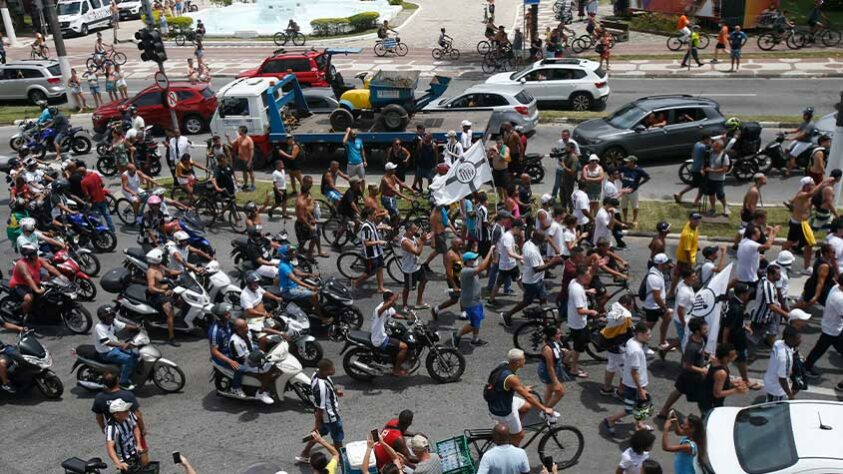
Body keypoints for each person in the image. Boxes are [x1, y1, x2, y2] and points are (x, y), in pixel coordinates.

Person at [485, 349, 558, 446]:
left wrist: (523, 388)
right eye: (523, 359)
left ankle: (512, 430)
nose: (525, 361)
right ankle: (512, 452)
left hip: (499, 401)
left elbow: (509, 385)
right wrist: (544, 409)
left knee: (526, 406)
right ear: (517, 362)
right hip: (503, 411)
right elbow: (527, 396)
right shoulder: (511, 378)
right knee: (520, 436)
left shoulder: (504, 365)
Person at [503, 230, 562, 325]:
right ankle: (508, 314)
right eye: (543, 240)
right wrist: (552, 263)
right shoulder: (532, 251)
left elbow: (535, 262)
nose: (544, 241)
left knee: (543, 299)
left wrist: (544, 260)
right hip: (532, 282)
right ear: (538, 239)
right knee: (527, 301)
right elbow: (537, 269)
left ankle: (544, 321)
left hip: (537, 279)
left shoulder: (529, 243)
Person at [604, 322, 654, 434]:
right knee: (630, 408)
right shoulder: (635, 351)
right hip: (634, 384)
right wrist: (640, 389)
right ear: (639, 334)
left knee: (641, 405)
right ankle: (610, 419)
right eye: (648, 334)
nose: (650, 336)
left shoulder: (631, 341)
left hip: (633, 382)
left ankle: (639, 424)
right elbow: (634, 372)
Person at [655, 318, 709, 419]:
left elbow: (701, 352)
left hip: (694, 374)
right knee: (702, 397)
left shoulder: (702, 339)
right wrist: (703, 370)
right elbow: (686, 365)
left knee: (679, 391)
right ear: (697, 331)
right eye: (704, 328)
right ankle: (705, 417)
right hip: (690, 375)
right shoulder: (692, 347)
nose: (707, 329)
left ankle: (664, 411)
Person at [297, 359, 344, 463]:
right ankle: (340, 458)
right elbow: (320, 409)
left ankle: (305, 453)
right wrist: (317, 424)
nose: (334, 370)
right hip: (329, 416)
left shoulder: (317, 373)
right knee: (337, 437)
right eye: (332, 369)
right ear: (325, 371)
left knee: (320, 433)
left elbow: (328, 386)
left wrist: (335, 391)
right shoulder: (321, 388)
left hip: (324, 415)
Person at [784, 176, 834, 274]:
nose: (814, 186)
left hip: (800, 222)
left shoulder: (804, 195)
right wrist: (823, 182)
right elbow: (812, 193)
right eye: (812, 184)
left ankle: (783, 260)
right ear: (806, 186)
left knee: (791, 242)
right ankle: (806, 268)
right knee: (808, 244)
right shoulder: (803, 194)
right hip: (800, 224)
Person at [803, 274, 843, 377]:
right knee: (819, 350)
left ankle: (806, 366)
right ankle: (806, 367)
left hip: (832, 326)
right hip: (832, 329)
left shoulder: (836, 288)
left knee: (836, 346)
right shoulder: (840, 299)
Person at [92, 372, 147, 447]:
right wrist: (142, 428)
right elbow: (137, 414)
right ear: (117, 380)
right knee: (141, 450)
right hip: (132, 430)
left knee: (120, 454)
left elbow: (99, 416)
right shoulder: (127, 395)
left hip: (115, 433)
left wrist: (103, 428)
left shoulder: (99, 398)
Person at [93, 304, 141, 390]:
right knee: (128, 360)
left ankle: (128, 372)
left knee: (135, 353)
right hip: (107, 352)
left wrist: (136, 327)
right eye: (109, 316)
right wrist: (122, 345)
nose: (111, 317)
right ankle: (123, 382)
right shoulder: (99, 327)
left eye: (112, 315)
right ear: (103, 318)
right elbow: (107, 343)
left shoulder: (112, 321)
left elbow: (124, 326)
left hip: (115, 347)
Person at [453, 248, 493, 347]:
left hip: (476, 301)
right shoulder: (466, 271)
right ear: (467, 262)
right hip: (471, 303)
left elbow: (483, 267)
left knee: (477, 320)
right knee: (474, 323)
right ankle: (457, 334)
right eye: (473, 259)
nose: (476, 260)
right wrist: (490, 250)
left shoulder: (470, 270)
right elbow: (482, 267)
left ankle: (475, 339)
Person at [9, 243, 62, 319]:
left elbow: (51, 268)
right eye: (34, 253)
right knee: (29, 298)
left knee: (49, 285)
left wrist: (62, 277)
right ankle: (23, 314)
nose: (36, 254)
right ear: (28, 256)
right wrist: (37, 290)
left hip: (34, 281)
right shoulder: (22, 264)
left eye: (36, 252)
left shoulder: (38, 260)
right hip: (20, 285)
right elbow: (28, 278)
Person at [229, 318, 275, 404]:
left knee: (273, 360)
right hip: (246, 362)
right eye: (243, 328)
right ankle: (261, 393)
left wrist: (281, 333)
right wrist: (261, 361)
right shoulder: (235, 342)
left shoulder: (247, 329)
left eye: (246, 326)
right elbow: (243, 359)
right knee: (270, 368)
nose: (246, 329)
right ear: (237, 329)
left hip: (253, 354)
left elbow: (262, 329)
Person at [749, 264, 790, 350]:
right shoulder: (768, 287)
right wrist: (786, 314)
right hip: (762, 317)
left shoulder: (766, 280)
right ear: (771, 275)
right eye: (778, 274)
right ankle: (747, 352)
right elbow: (771, 306)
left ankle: (772, 346)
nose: (779, 276)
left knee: (772, 333)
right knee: (754, 337)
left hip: (768, 316)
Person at [145, 248, 180, 346]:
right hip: (158, 295)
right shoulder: (151, 272)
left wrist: (183, 272)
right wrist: (163, 291)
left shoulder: (160, 266)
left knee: (181, 301)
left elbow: (170, 272)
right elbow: (151, 288)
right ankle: (171, 337)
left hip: (168, 290)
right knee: (170, 312)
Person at [699, 343, 748, 413]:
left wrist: (732, 383)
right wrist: (736, 390)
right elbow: (717, 393)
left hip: (705, 398)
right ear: (725, 358)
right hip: (711, 403)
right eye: (732, 356)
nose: (735, 357)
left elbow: (715, 381)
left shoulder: (716, 361)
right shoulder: (721, 373)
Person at [371, 291, 409, 376]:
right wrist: (393, 300)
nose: (395, 302)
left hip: (384, 333)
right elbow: (383, 309)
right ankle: (396, 370)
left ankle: (395, 361)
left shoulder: (388, 308)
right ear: (388, 301)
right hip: (380, 338)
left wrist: (406, 317)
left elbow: (394, 314)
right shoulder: (379, 309)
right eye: (393, 301)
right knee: (404, 347)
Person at [489, 219, 525, 307]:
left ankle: (528, 295)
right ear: (515, 228)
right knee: (498, 283)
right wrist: (521, 257)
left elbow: (513, 250)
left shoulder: (510, 236)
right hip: (506, 266)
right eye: (520, 229)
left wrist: (520, 259)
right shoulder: (508, 237)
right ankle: (491, 300)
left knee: (519, 279)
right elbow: (510, 253)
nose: (521, 231)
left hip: (511, 264)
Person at [104, 398, 146, 472]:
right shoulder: (112, 428)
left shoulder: (129, 415)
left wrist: (138, 445)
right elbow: (110, 448)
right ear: (116, 415)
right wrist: (119, 463)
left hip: (134, 453)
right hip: (125, 460)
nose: (128, 411)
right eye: (124, 411)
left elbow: (135, 427)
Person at [764, 325, 801, 401]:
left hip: (770, 381)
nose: (800, 340)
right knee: (774, 409)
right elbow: (782, 379)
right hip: (777, 390)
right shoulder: (785, 358)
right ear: (789, 339)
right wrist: (790, 395)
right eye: (798, 338)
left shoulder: (778, 343)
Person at [674, 135, 711, 205]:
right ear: (705, 139)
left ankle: (679, 194)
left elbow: (693, 154)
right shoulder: (703, 147)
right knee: (702, 186)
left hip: (694, 167)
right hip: (699, 169)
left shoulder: (697, 144)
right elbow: (705, 158)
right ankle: (696, 201)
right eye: (709, 140)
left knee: (694, 184)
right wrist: (702, 169)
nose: (709, 141)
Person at [785, 107, 817, 176]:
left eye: (805, 114)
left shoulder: (810, 125)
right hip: (799, 140)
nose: (803, 115)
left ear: (809, 116)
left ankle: (788, 171)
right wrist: (787, 132)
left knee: (792, 155)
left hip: (805, 143)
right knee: (787, 149)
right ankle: (792, 163)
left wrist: (791, 139)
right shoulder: (804, 122)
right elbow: (797, 130)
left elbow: (802, 135)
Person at [227, 126, 255, 191]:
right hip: (241, 159)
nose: (239, 132)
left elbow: (252, 151)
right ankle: (246, 184)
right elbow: (231, 143)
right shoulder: (239, 138)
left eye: (240, 130)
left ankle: (253, 185)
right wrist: (228, 137)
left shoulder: (249, 140)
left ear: (243, 131)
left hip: (247, 159)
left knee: (251, 172)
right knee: (244, 172)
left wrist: (250, 161)